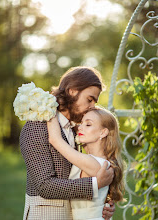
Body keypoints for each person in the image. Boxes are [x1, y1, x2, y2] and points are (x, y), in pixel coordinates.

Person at [20, 66, 115, 220]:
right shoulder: (36, 126)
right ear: (72, 91)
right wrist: (95, 185)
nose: (92, 107)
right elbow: (45, 186)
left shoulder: (76, 130)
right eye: (89, 99)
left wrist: (101, 204)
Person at [47, 107, 125, 220]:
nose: (80, 127)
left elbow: (55, 140)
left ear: (103, 132)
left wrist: (48, 106)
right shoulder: (96, 161)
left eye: (88, 125)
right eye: (81, 123)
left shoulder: (96, 164)